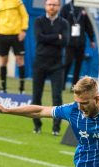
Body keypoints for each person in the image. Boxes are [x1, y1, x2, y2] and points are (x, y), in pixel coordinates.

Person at [32, 0, 69, 135]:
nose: (52, 7)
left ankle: (56, 127)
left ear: (59, 7)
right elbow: (39, 38)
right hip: (40, 63)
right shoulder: (38, 21)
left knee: (57, 97)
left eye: (54, 4)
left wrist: (51, 38)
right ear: (45, 6)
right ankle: (37, 125)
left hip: (57, 64)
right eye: (49, 4)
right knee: (36, 96)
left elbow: (65, 41)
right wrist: (56, 37)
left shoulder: (64, 23)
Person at [0, 0, 29, 94]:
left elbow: (24, 15)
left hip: (16, 35)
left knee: (20, 60)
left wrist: (23, 30)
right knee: (3, 61)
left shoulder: (17, 1)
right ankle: (3, 88)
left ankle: (22, 89)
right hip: (2, 35)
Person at [60, 0, 95, 91]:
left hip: (81, 41)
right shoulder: (66, 8)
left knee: (78, 65)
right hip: (69, 41)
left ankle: (74, 86)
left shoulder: (84, 8)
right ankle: (61, 84)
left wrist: (91, 39)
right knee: (68, 63)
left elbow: (88, 25)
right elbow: (60, 23)